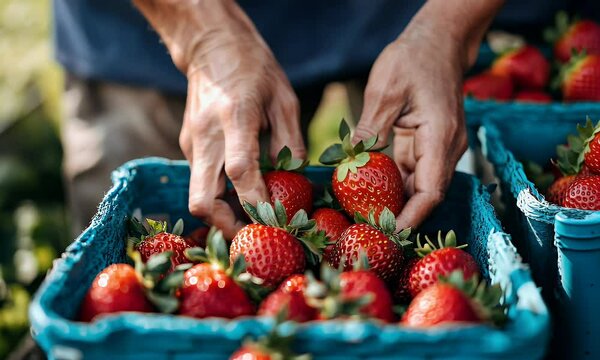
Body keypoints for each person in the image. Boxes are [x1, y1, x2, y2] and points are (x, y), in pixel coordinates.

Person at [54, 0, 573, 238]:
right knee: (146, 229)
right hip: (153, 31)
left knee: (435, 195)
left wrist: (449, 28)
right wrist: (202, 32)